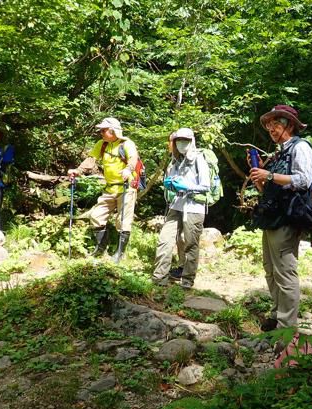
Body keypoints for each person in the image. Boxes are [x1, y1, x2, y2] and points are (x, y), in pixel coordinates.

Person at [249, 105, 312, 331]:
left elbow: (304, 180)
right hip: (272, 218)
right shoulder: (280, 152)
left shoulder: (301, 148)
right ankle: (277, 315)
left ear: (289, 125)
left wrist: (269, 174)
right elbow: (274, 188)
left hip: (287, 218)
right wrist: (262, 181)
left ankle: (287, 327)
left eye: (276, 123)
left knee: (285, 272)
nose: (271, 128)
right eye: (269, 125)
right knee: (270, 269)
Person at [67, 117, 139, 263]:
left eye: (104, 130)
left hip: (126, 188)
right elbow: (91, 160)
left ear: (113, 131)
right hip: (109, 188)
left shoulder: (126, 144)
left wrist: (128, 169)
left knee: (123, 221)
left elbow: (133, 159)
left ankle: (119, 253)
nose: (101, 132)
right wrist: (78, 170)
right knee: (96, 216)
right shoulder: (102, 144)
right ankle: (101, 248)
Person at [152, 128, 210, 288]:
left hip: (194, 207)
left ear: (192, 141)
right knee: (165, 239)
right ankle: (159, 278)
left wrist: (186, 186)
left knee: (191, 244)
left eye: (185, 140)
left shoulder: (199, 159)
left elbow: (206, 186)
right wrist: (171, 185)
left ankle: (187, 282)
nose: (181, 144)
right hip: (176, 205)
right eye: (178, 140)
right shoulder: (175, 160)